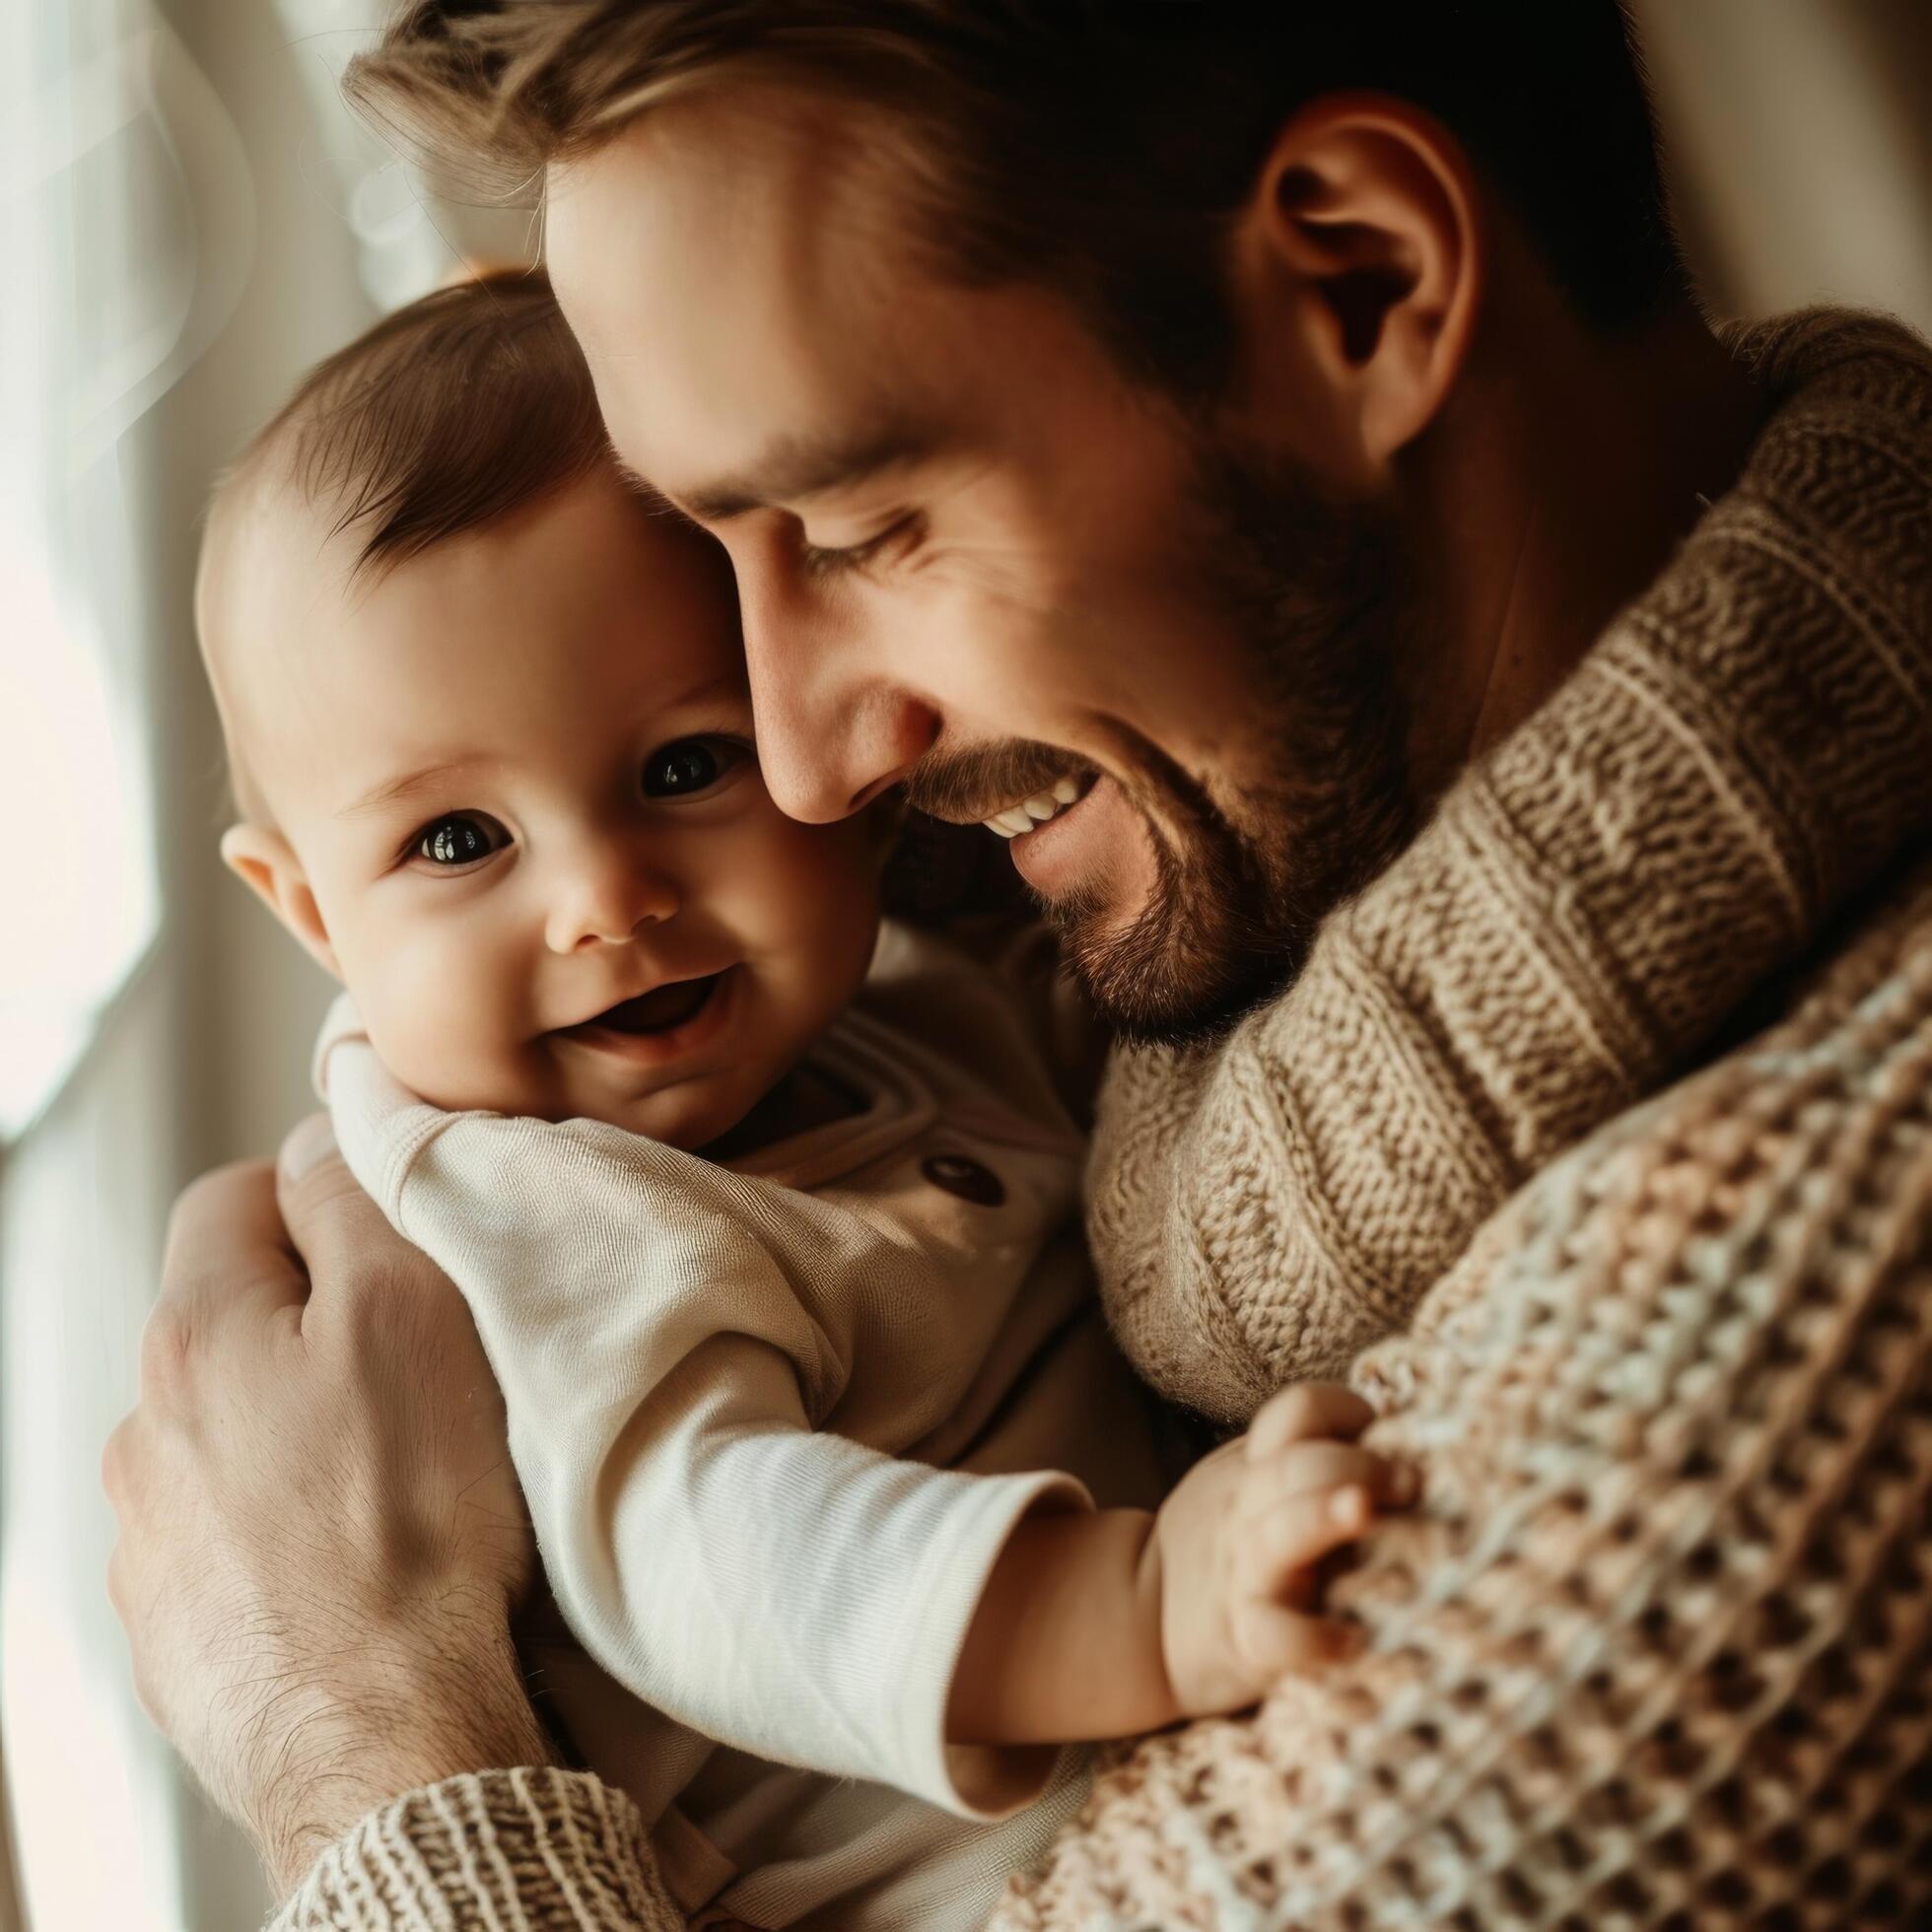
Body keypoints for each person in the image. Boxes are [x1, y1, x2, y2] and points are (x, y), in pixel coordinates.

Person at [105, 4, 1932, 1924]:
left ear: (1360, 283)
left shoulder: (1785, 1328)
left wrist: (370, 1739)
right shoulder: (1187, 943)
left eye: (852, 526)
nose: (806, 761)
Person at [192, 268, 1413, 1930]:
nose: (604, 900)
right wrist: (1142, 1603)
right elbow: (710, 1550)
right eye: (458, 841)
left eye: (686, 766)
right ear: (314, 914)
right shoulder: (524, 1205)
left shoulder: (909, 1021)